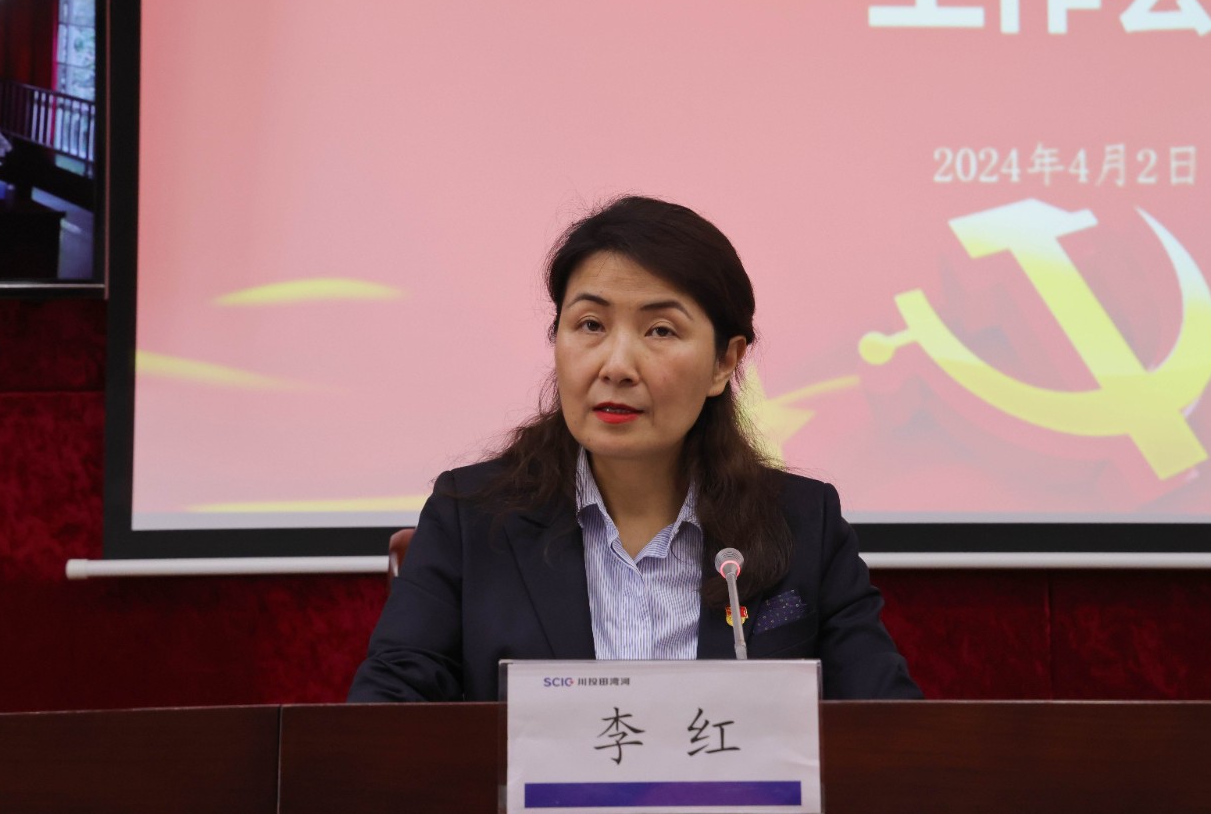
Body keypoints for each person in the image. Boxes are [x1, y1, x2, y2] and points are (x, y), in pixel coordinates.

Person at [350, 196, 922, 703]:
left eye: (660, 331)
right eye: (590, 325)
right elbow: (385, 722)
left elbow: (888, 726)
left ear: (724, 361)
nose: (617, 366)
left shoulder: (802, 523)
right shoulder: (471, 518)